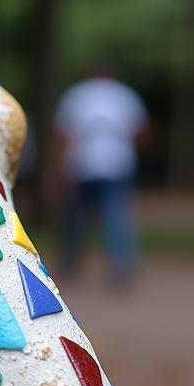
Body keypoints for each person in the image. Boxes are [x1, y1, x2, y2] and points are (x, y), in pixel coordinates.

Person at [51, 67, 148, 283]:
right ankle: (121, 265)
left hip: (81, 161)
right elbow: (141, 131)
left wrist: (58, 166)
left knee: (76, 217)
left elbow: (64, 134)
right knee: (115, 216)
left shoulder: (77, 95)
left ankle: (70, 262)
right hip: (117, 162)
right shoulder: (124, 95)